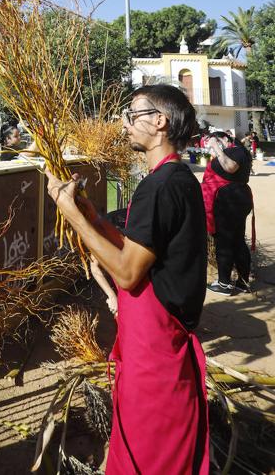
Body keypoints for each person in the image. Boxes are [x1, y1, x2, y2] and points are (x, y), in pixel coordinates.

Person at [47, 84, 209, 475]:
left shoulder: (161, 186)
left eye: (133, 116)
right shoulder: (174, 178)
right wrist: (93, 217)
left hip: (155, 357)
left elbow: (127, 270)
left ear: (160, 122)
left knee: (151, 455)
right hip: (149, 347)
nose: (125, 125)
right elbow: (142, 249)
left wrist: (71, 216)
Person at [202, 131, 254, 295]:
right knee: (237, 241)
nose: (212, 144)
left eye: (216, 140)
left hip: (231, 200)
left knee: (225, 242)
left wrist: (216, 146)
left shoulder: (236, 150)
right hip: (233, 198)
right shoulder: (231, 151)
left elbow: (230, 167)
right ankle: (242, 282)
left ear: (225, 139)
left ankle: (224, 284)